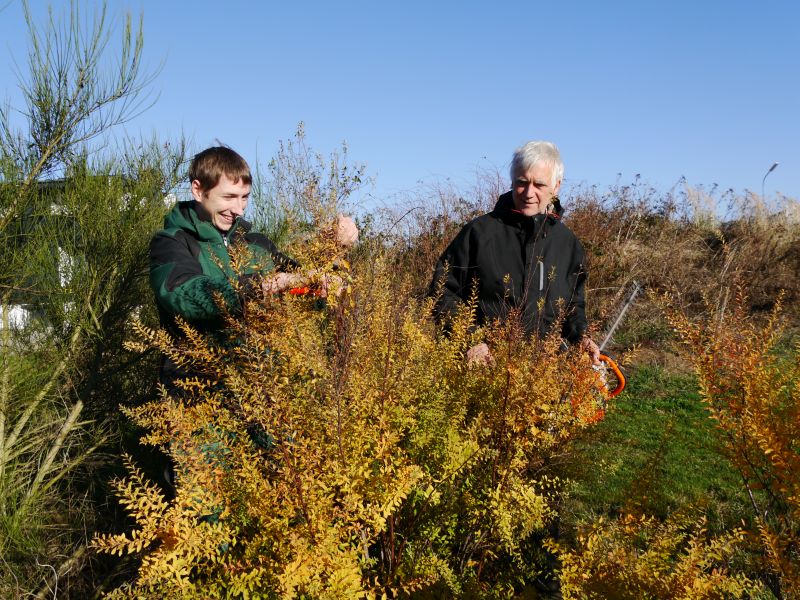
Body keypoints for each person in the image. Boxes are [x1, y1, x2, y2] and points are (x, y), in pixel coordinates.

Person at [150, 145, 357, 388]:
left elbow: (308, 294)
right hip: (196, 396)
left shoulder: (258, 245)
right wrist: (259, 287)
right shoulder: (171, 242)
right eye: (228, 197)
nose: (238, 209)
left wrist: (330, 252)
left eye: (244, 197)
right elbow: (186, 295)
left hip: (262, 393)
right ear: (198, 190)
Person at [429, 140, 599, 365]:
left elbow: (572, 306)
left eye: (539, 185)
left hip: (541, 376)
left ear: (556, 186)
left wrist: (582, 338)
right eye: (521, 182)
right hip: (481, 373)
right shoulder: (479, 233)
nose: (529, 193)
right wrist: (471, 340)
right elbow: (442, 292)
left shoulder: (568, 245)